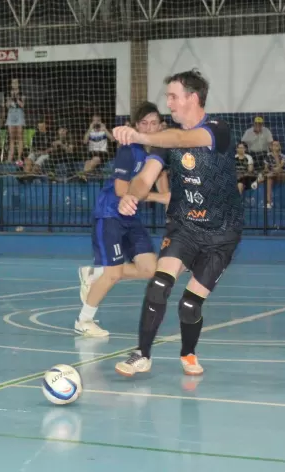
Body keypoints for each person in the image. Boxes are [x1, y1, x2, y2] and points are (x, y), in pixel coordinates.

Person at [110, 69, 243, 378]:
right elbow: (145, 178)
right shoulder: (163, 141)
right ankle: (142, 354)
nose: (168, 103)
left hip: (222, 234)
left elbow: (183, 138)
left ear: (192, 98)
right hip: (184, 226)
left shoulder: (218, 130)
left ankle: (188, 352)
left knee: (189, 306)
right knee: (158, 284)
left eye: (173, 96)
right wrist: (132, 195)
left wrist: (141, 135)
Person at [76, 102, 170, 337]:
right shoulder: (129, 149)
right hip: (111, 213)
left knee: (150, 268)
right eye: (143, 123)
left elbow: (162, 183)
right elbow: (121, 189)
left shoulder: (161, 152)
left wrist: (170, 203)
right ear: (136, 126)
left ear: (161, 125)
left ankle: (94, 274)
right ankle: (84, 320)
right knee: (114, 273)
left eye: (153, 123)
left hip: (132, 217)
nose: (149, 128)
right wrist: (160, 198)